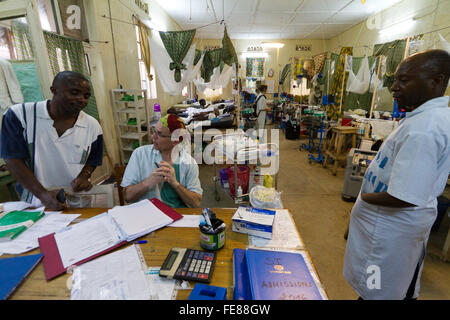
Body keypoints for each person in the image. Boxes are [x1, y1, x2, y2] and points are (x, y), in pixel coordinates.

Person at [343, 49, 450, 300]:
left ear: (436, 80)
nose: (394, 88)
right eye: (396, 80)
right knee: (375, 289)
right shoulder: (424, 118)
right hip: (385, 232)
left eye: (404, 80)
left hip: (390, 236)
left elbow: (405, 195)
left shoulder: (425, 129)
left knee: (380, 290)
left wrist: (364, 201)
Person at [0, 71, 103, 210]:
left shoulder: (92, 125)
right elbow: (12, 160)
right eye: (74, 93)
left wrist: (84, 176)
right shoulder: (20, 115)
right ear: (54, 90)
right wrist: (43, 194)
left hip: (77, 200)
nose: (81, 99)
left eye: (86, 96)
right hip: (36, 202)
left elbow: (93, 158)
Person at [121, 113, 202, 208]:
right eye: (154, 131)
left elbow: (196, 203)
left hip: (177, 215)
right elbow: (127, 197)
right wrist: (147, 182)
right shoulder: (140, 154)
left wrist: (175, 184)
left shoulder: (189, 163)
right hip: (148, 214)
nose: (153, 137)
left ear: (175, 141)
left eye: (159, 134)